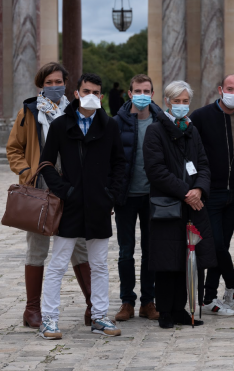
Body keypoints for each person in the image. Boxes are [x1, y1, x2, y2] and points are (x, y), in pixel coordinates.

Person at [38, 73, 126, 339]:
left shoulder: (109, 125)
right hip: (71, 205)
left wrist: (110, 195)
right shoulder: (61, 124)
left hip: (99, 205)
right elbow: (46, 164)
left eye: (96, 92)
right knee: (58, 264)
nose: (92, 95)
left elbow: (120, 164)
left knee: (99, 264)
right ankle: (49, 320)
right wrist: (66, 191)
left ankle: (99, 316)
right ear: (76, 93)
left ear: (101, 95)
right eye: (86, 90)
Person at [7, 62, 93, 329]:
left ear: (66, 84)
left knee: (80, 246)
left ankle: (94, 306)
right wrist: (27, 171)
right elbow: (14, 149)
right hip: (40, 190)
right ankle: (32, 309)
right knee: (37, 248)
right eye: (49, 83)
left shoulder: (75, 111)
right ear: (40, 85)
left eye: (58, 82)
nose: (54, 87)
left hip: (70, 189)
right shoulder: (29, 112)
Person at [143, 81, 216, 329]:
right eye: (178, 101)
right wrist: (187, 192)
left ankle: (180, 308)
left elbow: (204, 164)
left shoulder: (192, 130)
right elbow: (156, 170)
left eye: (186, 101)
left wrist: (199, 189)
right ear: (167, 101)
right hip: (168, 204)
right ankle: (165, 310)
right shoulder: (155, 131)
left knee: (188, 259)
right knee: (167, 259)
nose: (182, 106)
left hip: (192, 206)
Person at [189, 74, 234, 316]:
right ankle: (232, 279)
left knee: (222, 245)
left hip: (233, 193)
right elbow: (191, 152)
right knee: (213, 244)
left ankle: (209, 298)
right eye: (230, 88)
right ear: (220, 89)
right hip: (208, 191)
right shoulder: (201, 117)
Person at [113, 74, 161, 322]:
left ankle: (148, 301)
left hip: (153, 198)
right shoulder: (116, 123)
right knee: (125, 251)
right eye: (137, 90)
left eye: (147, 90)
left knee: (151, 251)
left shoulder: (162, 121)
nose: (142, 94)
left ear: (152, 94)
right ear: (130, 94)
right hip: (126, 197)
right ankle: (126, 301)